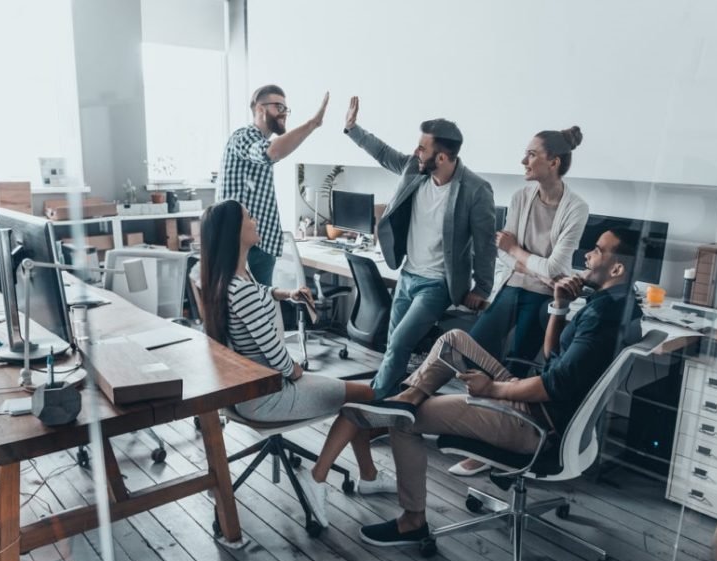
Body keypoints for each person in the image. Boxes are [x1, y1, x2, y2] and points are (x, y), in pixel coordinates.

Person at [333, 227, 642, 545]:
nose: (588, 255)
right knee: (454, 339)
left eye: (597, 250)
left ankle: (412, 521)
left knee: (403, 423)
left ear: (616, 268)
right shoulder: (619, 305)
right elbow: (553, 358)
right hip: (538, 405)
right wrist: (560, 305)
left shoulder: (602, 316)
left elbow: (552, 386)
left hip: (534, 423)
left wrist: (491, 389)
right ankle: (408, 397)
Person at [198, 200, 396, 528]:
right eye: (249, 217)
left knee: (356, 394)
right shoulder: (240, 290)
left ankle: (370, 477)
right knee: (363, 396)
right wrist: (296, 370)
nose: (256, 220)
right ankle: (319, 477)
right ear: (235, 232)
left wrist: (282, 293)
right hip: (269, 394)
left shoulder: (230, 280)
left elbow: (257, 294)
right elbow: (277, 357)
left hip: (249, 392)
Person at [452, 126, 590, 477]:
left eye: (531, 154)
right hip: (513, 286)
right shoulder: (520, 197)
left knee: (516, 366)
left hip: (542, 297)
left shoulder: (576, 208)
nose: (523, 160)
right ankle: (477, 427)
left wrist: (517, 250)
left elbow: (554, 268)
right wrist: (528, 261)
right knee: (474, 349)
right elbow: (506, 255)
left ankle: (495, 444)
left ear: (553, 162)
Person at [343, 96, 496, 399]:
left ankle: (372, 402)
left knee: (400, 342)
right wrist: (352, 128)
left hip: (438, 283)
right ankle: (394, 402)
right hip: (408, 274)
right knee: (393, 344)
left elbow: (485, 243)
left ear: (442, 157)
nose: (416, 152)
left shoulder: (475, 190)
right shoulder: (415, 170)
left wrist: (482, 287)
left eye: (423, 148)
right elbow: (383, 153)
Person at [216, 85, 330, 285]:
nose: (284, 113)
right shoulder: (244, 136)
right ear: (260, 109)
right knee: (245, 303)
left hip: (260, 244)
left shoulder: (259, 140)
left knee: (261, 301)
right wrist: (312, 124)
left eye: (286, 108)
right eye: (279, 107)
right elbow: (271, 152)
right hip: (241, 246)